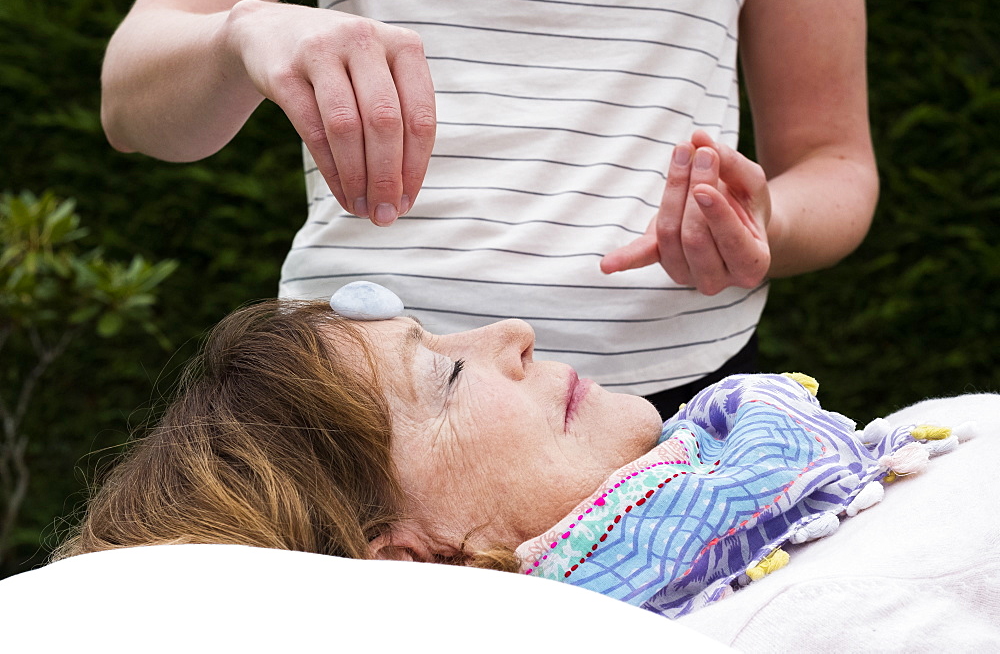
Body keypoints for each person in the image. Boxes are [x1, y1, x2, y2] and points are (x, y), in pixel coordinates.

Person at [98, 0, 879, 418]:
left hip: (679, 412)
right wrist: (244, 30)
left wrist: (763, 221)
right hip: (366, 418)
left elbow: (834, 161)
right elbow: (129, 103)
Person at [55, 298, 954, 617]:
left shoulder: (785, 495)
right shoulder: (805, 614)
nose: (513, 333)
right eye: (442, 375)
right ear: (401, 554)